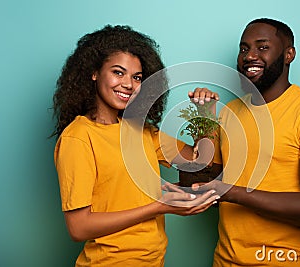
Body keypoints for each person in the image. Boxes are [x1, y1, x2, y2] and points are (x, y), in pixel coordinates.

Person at [52, 25, 220, 267]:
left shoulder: (140, 130)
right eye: (118, 73)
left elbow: (201, 162)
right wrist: (160, 206)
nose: (128, 84)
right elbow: (78, 227)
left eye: (137, 77)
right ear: (94, 73)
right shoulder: (78, 137)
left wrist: (206, 113)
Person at [189, 18, 300, 266]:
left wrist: (235, 194)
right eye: (244, 48)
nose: (250, 55)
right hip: (224, 260)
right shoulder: (229, 113)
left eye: (262, 47)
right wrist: (204, 121)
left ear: (288, 54)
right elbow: (202, 187)